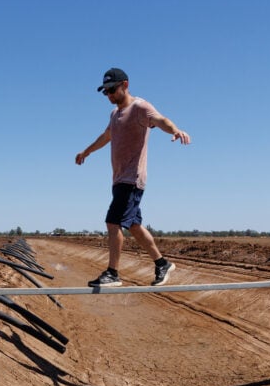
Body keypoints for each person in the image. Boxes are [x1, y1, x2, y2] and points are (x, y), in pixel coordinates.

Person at [75, 67, 191, 287]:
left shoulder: (140, 107)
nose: (108, 95)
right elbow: (106, 136)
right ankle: (162, 263)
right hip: (119, 179)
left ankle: (112, 273)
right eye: (105, 92)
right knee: (134, 225)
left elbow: (160, 119)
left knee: (113, 221)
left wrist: (175, 130)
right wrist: (86, 151)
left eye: (111, 90)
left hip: (132, 178)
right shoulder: (114, 114)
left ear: (125, 85)